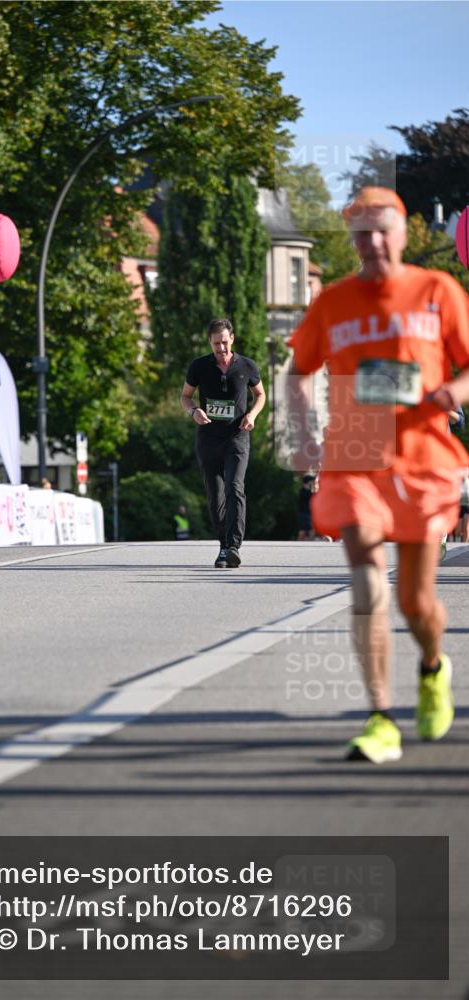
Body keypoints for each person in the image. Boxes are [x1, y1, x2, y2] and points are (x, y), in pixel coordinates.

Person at [287, 186, 469, 764]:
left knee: (417, 604)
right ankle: (380, 717)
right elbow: (297, 373)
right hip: (354, 452)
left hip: (422, 455)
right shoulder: (334, 300)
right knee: (366, 576)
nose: (372, 242)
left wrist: (452, 391)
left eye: (382, 229)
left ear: (405, 232)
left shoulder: (437, 290)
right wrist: (305, 434)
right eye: (361, 231)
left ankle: (433, 668)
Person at [181, 318, 266, 568]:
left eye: (225, 342)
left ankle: (233, 546)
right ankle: (222, 546)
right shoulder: (199, 366)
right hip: (208, 439)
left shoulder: (247, 366)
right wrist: (194, 411)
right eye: (217, 343)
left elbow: (260, 394)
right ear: (210, 342)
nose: (222, 348)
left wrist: (252, 415)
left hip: (237, 437)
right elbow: (186, 396)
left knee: (235, 487)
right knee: (215, 495)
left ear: (232, 339)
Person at [297, 475, 316, 540]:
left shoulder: (308, 491)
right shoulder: (303, 491)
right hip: (304, 514)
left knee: (303, 531)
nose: (313, 482)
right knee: (309, 531)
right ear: (308, 482)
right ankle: (311, 546)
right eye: (311, 481)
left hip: (305, 514)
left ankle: (300, 544)